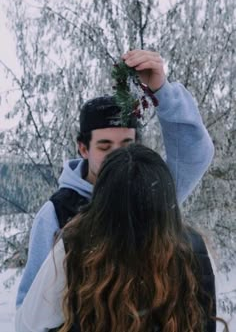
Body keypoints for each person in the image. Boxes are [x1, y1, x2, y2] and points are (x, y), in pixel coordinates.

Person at [16, 49, 215, 307]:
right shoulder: (57, 213)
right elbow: (29, 309)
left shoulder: (152, 191)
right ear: (84, 149)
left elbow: (195, 154)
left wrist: (161, 90)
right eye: (105, 146)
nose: (116, 155)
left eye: (125, 144)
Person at [15, 144, 216, 332]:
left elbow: (28, 323)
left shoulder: (75, 246)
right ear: (167, 201)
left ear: (102, 199)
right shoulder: (193, 249)